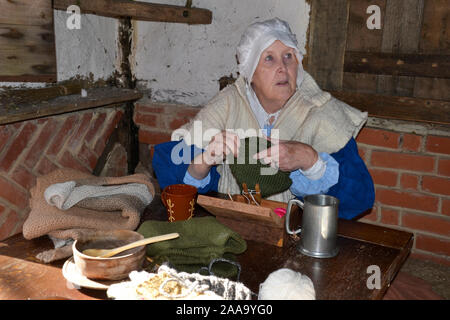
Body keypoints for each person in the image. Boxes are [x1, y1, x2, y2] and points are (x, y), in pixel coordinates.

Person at [152, 18, 374, 220]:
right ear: (249, 72)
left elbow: (358, 199)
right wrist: (204, 160)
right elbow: (174, 183)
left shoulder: (320, 114)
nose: (282, 68)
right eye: (269, 58)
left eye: (289, 56)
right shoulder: (227, 105)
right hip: (230, 226)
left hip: (295, 233)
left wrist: (311, 161)